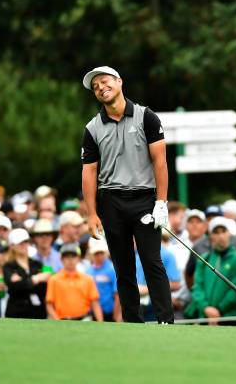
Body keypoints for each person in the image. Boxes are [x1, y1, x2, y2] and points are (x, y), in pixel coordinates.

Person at [80, 65, 173, 324]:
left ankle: (166, 320)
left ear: (119, 82)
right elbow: (89, 173)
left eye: (105, 81)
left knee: (152, 261)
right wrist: (91, 213)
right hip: (111, 201)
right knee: (123, 268)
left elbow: (160, 162)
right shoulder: (93, 127)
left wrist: (161, 202)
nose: (100, 87)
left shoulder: (146, 117)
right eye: (95, 86)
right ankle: (133, 323)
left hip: (144, 198)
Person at [184, 217, 236, 325]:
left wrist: (219, 310)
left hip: (229, 318)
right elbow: (197, 287)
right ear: (210, 236)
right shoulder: (205, 258)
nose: (221, 236)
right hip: (205, 317)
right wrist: (205, 308)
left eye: (223, 231)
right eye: (216, 233)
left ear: (229, 233)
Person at [46, 243, 103, 321]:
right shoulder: (54, 279)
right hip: (62, 320)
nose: (70, 260)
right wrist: (57, 321)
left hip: (85, 320)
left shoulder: (87, 279)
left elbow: (95, 303)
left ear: (79, 259)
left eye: (73, 256)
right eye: (67, 257)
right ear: (61, 259)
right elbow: (49, 304)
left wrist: (100, 322)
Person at [3, 228, 50, 319]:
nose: (23, 245)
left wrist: (23, 281)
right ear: (12, 246)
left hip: (38, 312)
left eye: (25, 242)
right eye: (20, 243)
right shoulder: (9, 266)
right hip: (16, 312)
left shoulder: (37, 264)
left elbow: (44, 286)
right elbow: (14, 287)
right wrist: (36, 279)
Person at [136, 230, 181, 321]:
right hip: (137, 304)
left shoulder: (167, 254)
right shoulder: (138, 252)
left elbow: (176, 284)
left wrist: (147, 289)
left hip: (153, 305)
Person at [86, 238, 121, 322]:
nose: (99, 256)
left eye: (101, 253)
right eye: (96, 253)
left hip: (110, 313)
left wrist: (116, 315)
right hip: (93, 313)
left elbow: (117, 295)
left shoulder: (112, 269)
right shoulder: (88, 271)